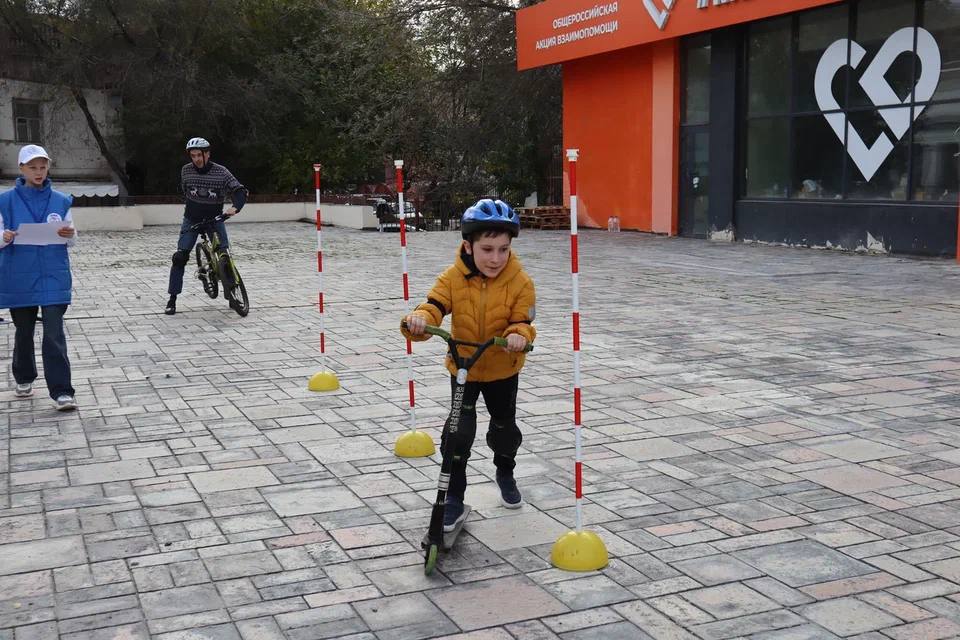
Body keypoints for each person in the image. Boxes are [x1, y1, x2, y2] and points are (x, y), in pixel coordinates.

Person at [402, 199, 536, 533]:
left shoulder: (521, 282)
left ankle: (505, 469)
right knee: (458, 435)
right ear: (467, 245)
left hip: (502, 369)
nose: (496, 258)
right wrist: (420, 318)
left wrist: (518, 335)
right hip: (463, 367)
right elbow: (434, 305)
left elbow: (523, 321)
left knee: (504, 431)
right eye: (487, 249)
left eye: (503, 249)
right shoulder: (452, 277)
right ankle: (453, 500)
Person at [0, 144, 78, 410]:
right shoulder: (5, 200)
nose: (38, 172)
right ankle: (24, 375)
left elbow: (72, 236)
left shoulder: (61, 199)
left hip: (53, 275)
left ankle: (62, 391)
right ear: (21, 169)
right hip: (19, 276)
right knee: (24, 330)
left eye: (43, 167)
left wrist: (70, 235)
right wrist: (4, 237)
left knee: (54, 332)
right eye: (33, 167)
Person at [165, 137, 247, 315]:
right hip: (192, 219)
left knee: (224, 254)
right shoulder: (186, 171)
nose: (196, 159)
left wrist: (235, 207)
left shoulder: (221, 172)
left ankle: (232, 292)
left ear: (207, 154)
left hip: (214, 220)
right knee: (179, 258)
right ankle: (172, 298)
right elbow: (186, 190)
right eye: (193, 156)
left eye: (199, 155)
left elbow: (239, 191)